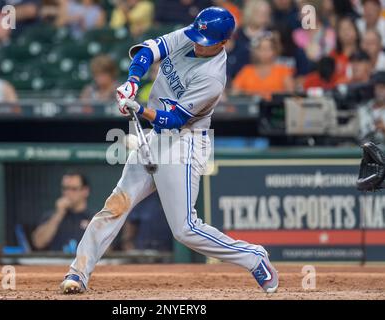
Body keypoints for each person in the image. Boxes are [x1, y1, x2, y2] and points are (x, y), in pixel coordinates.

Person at [60, 6, 279, 294]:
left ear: (223, 43)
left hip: (185, 142)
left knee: (185, 229)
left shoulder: (213, 78)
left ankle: (253, 257)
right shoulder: (191, 36)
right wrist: (132, 82)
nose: (198, 46)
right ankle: (78, 273)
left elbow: (173, 120)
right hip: (155, 137)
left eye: (207, 43)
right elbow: (147, 52)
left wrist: (138, 107)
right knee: (116, 204)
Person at [31, 171, 94, 251]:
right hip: (57, 262)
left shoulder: (94, 218)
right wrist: (59, 214)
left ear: (85, 191)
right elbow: (38, 243)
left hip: (84, 262)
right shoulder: (51, 216)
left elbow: (106, 251)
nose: (68, 193)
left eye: (73, 189)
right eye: (65, 188)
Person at [231, 33, 294, 100]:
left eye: (268, 49)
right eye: (261, 49)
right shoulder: (246, 71)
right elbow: (235, 93)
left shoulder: (283, 70)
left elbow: (290, 95)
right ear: (255, 51)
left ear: (275, 50)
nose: (265, 52)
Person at [226, 0, 272, 80]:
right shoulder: (237, 35)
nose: (264, 16)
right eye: (260, 12)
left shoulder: (271, 35)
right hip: (239, 78)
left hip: (264, 78)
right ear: (250, 12)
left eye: (266, 13)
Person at [358, 71, 385, 143]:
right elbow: (359, 135)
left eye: (383, 87)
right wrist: (373, 129)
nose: (380, 91)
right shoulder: (363, 109)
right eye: (377, 87)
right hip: (365, 150)